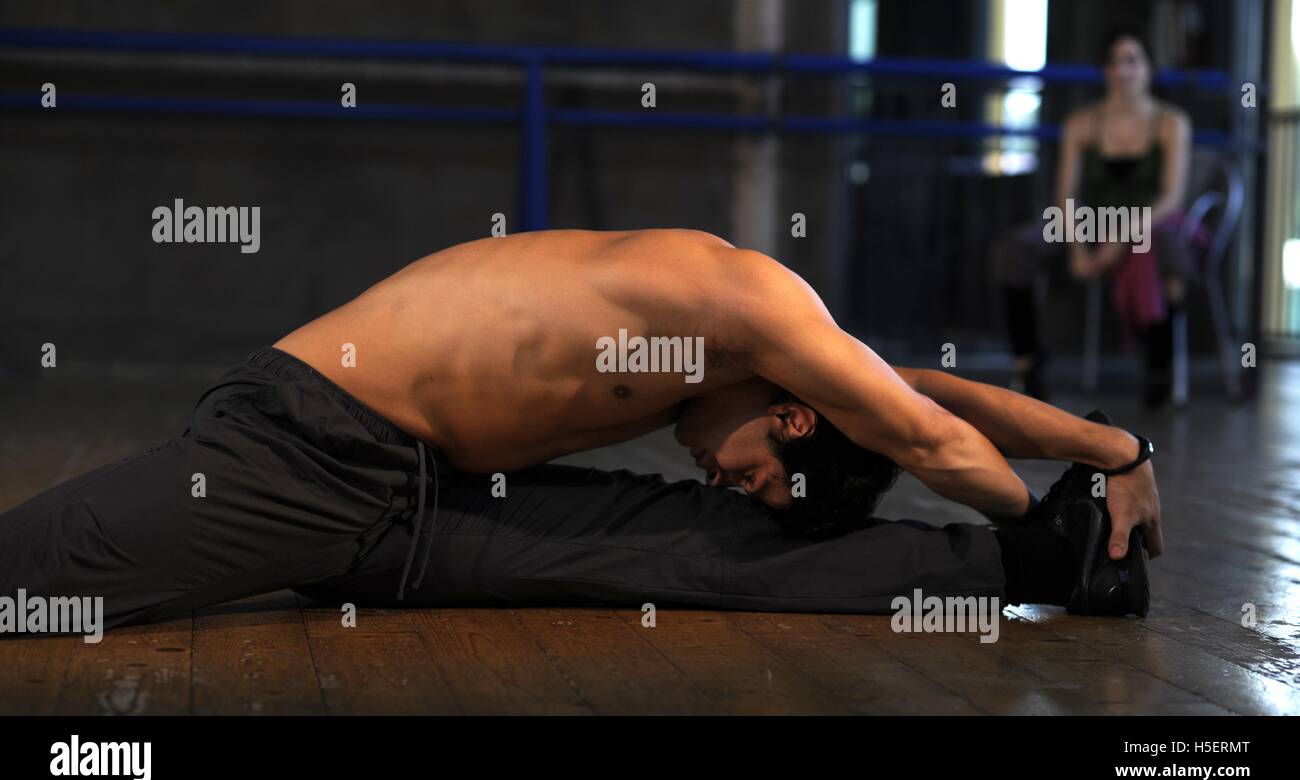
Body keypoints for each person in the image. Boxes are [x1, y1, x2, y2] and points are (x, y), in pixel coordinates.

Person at [0, 228, 1162, 633]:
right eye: (754, 469)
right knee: (34, 577)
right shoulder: (747, 307)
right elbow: (921, 436)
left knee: (716, 554)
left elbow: (927, 397)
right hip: (311, 452)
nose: (717, 470)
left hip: (424, 510)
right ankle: (1052, 552)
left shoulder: (766, 358)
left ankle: (1032, 571)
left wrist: (1108, 452)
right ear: (795, 415)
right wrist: (1056, 511)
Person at [992, 28, 1194, 406]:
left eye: (1132, 60)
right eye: (1114, 61)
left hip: (1149, 222)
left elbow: (1171, 197)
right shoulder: (1081, 123)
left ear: (1149, 69)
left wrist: (1126, 235)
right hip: (1092, 221)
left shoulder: (1171, 123)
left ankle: (1159, 367)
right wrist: (1078, 249)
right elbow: (1065, 196)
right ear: (1105, 70)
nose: (1123, 70)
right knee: (1015, 250)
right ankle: (1029, 363)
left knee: (1166, 247)